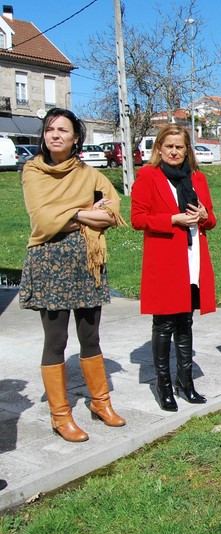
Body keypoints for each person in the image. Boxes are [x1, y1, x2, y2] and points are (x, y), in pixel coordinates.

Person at [19, 107, 126, 442]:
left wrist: (70, 215)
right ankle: (60, 416)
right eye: (50, 129)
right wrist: (84, 212)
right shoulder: (33, 171)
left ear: (76, 137)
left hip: (87, 261)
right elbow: (42, 220)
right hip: (49, 262)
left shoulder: (89, 173)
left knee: (90, 337)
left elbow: (112, 212)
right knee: (57, 341)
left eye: (63, 130)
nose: (55, 135)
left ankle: (100, 402)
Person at [131, 124, 217, 412]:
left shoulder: (197, 178)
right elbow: (138, 218)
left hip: (192, 258)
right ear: (159, 148)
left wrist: (204, 215)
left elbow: (211, 219)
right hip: (165, 259)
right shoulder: (148, 176)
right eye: (169, 146)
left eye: (179, 147)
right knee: (164, 323)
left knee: (185, 321)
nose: (174, 152)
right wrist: (172, 219)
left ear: (187, 149)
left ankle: (186, 381)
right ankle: (164, 385)